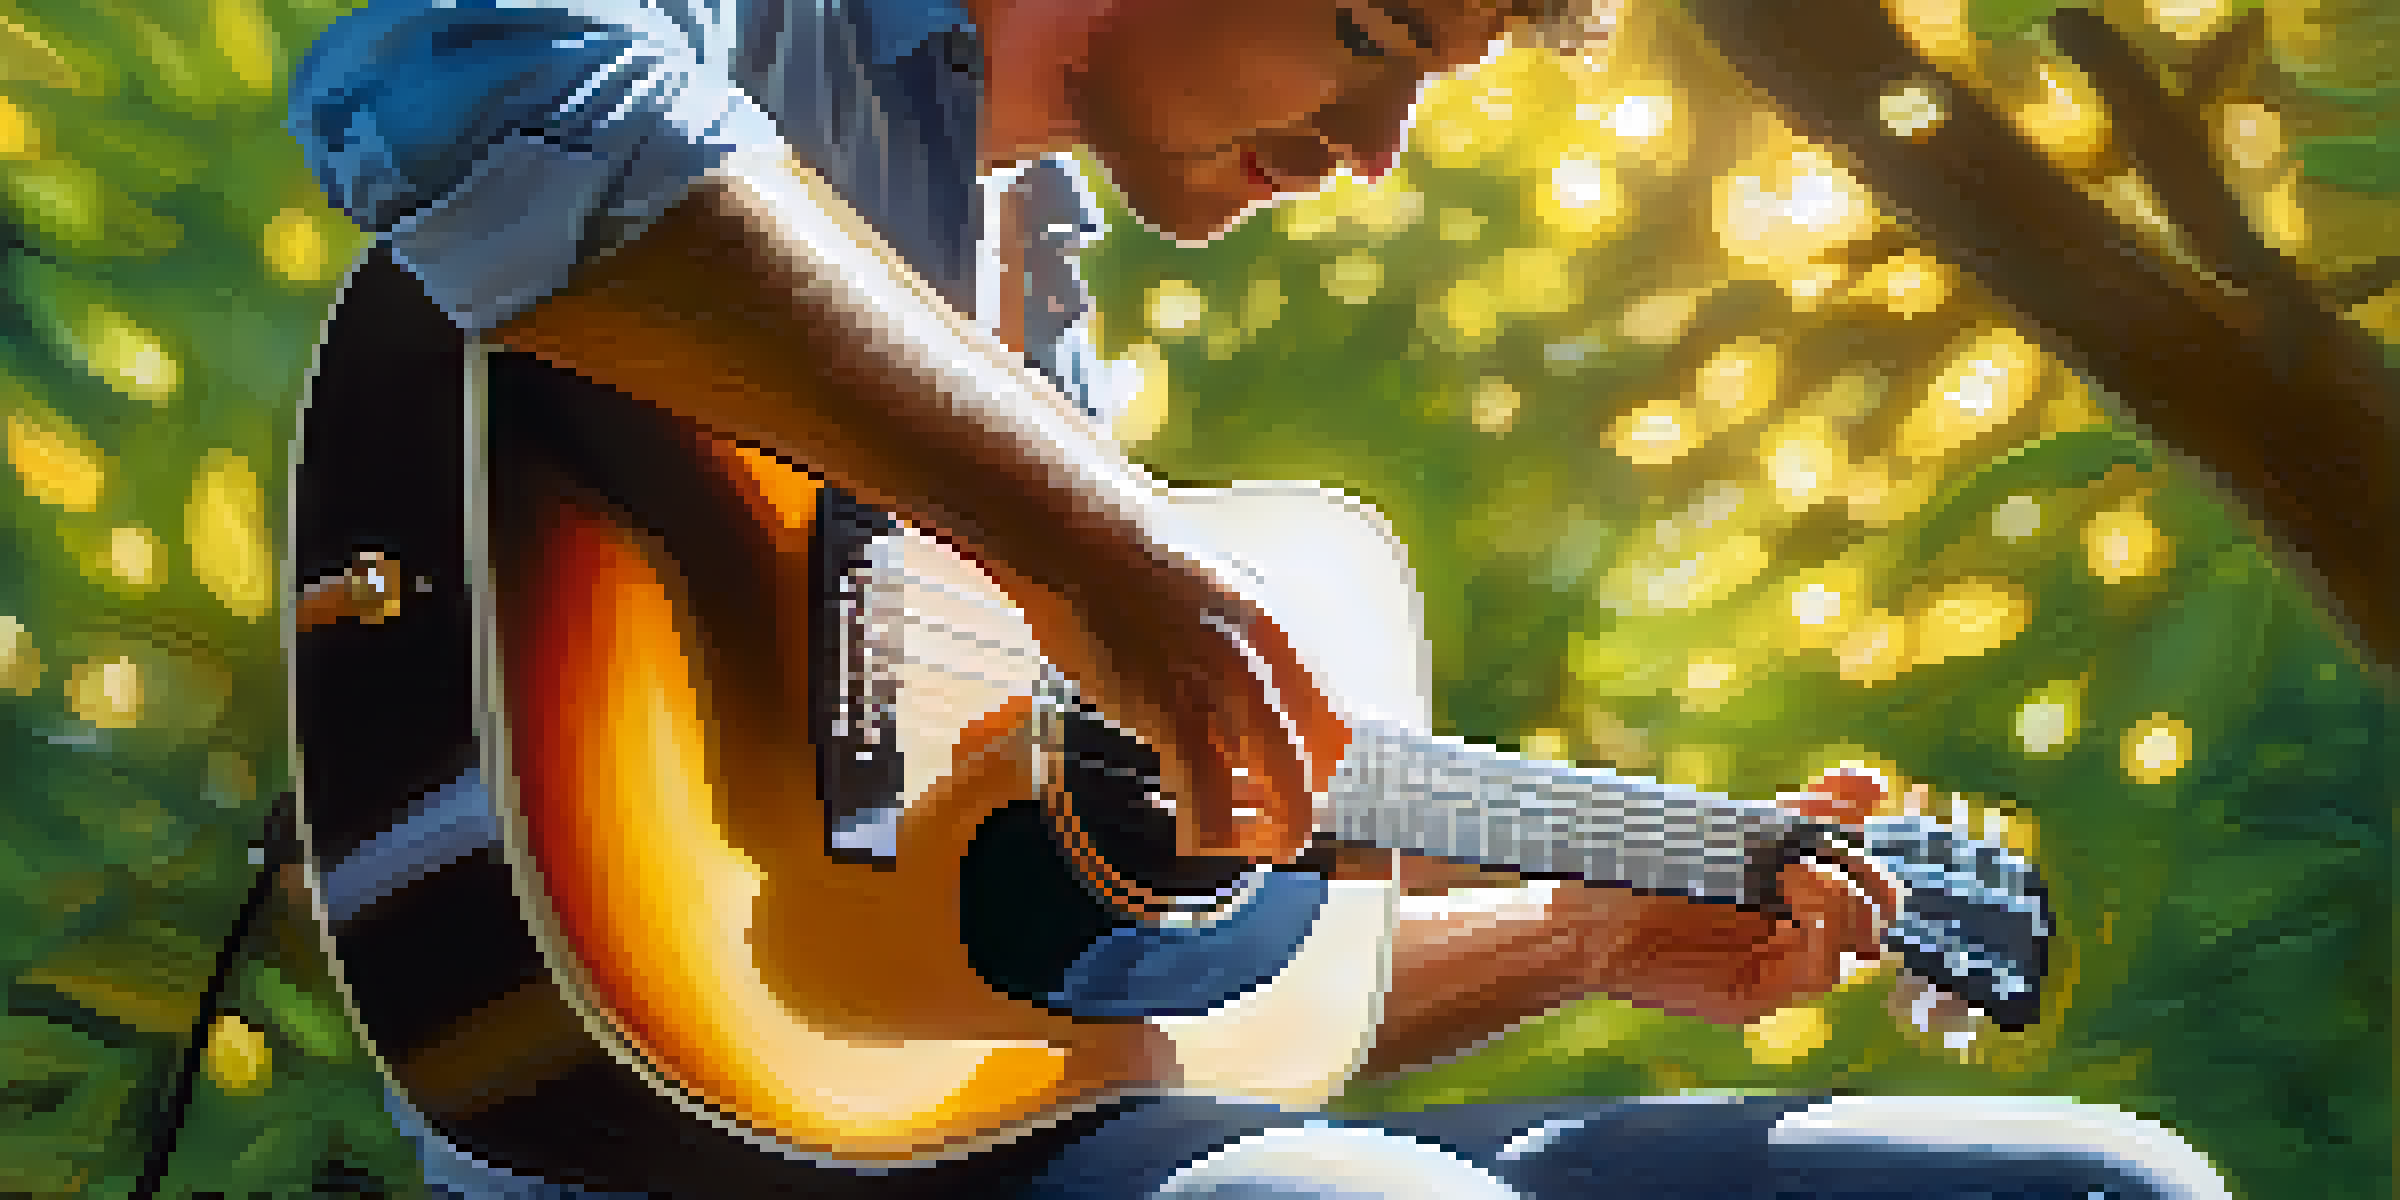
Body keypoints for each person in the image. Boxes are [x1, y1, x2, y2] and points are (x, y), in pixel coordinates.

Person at [284, 0, 2233, 1196]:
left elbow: (1081, 1010)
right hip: (689, 1155)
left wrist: (1566, 933)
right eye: (1376, 30)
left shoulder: (1030, 274)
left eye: (1429, 88)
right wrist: (1096, 541)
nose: (1376, 155)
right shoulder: (775, 25)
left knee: (2087, 1185)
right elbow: (452, 77)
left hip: (1004, 1134)